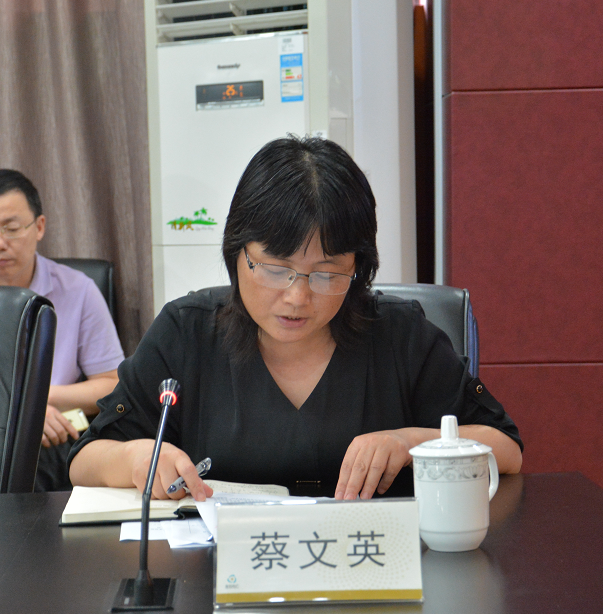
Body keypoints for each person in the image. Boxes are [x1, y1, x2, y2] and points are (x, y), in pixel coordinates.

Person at [68, 136, 522, 502]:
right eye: (274, 268)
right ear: (237, 253)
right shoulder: (187, 331)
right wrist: (137, 458)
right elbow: (85, 459)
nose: (297, 297)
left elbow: (505, 449)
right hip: (225, 574)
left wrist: (410, 443)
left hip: (375, 568)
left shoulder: (400, 335)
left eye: (327, 274)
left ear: (358, 270)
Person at [0, 169, 124, 490]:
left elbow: (112, 385)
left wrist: (38, 402)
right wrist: (21, 409)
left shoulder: (78, 290)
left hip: (53, 433)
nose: (1, 243)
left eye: (11, 229)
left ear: (39, 227)